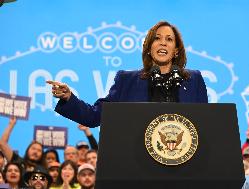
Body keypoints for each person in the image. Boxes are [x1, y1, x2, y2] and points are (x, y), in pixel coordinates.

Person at [46, 21, 208, 128]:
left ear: (176, 50)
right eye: (157, 38)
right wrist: (68, 98)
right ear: (149, 48)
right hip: (138, 164)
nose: (163, 42)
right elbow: (94, 117)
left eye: (169, 39)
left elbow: (204, 124)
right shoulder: (127, 80)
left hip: (183, 163)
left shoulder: (194, 80)